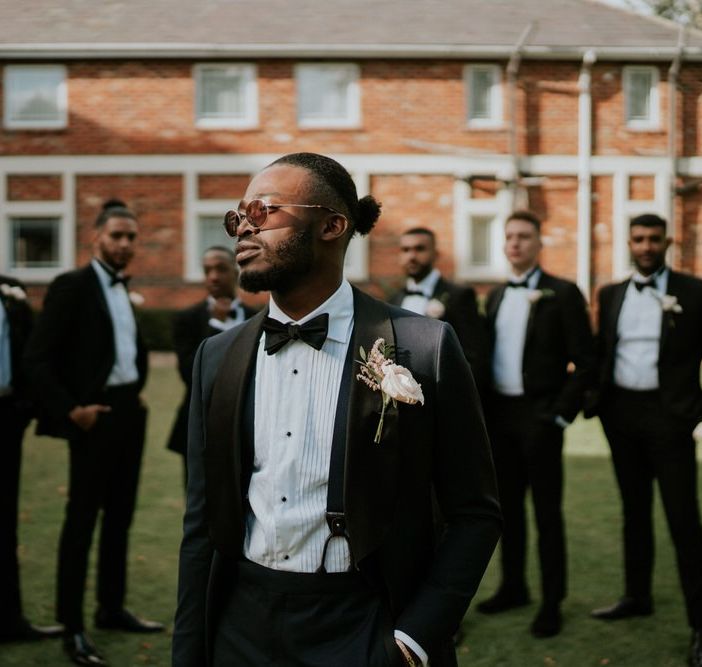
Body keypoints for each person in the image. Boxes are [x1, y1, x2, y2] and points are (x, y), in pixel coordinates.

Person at [172, 152, 502, 667]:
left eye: (262, 211)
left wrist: (413, 641)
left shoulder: (423, 346)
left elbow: (474, 512)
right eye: (236, 217)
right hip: (241, 624)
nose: (242, 228)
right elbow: (202, 523)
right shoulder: (216, 357)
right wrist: (191, 652)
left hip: (367, 621)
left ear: (331, 225)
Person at [24, 200, 163, 667]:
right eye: (116, 235)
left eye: (130, 237)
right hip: (93, 416)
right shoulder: (72, 286)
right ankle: (73, 627)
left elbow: (123, 350)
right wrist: (72, 410)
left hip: (129, 413)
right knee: (81, 521)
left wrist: (135, 391)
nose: (125, 243)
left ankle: (110, 608)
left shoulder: (124, 288)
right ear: (96, 238)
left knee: (120, 517)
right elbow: (37, 359)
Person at [588, 213, 702, 667]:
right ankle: (637, 595)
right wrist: (598, 402)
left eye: (654, 239)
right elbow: (603, 353)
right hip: (620, 417)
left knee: (684, 522)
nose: (646, 246)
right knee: (634, 512)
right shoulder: (610, 294)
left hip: (671, 419)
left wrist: (700, 413)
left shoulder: (696, 292)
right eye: (638, 239)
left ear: (667, 242)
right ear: (629, 243)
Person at [475, 210, 595, 638]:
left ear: (539, 243)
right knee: (506, 513)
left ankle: (551, 602)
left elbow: (585, 362)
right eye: (509, 237)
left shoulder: (562, 293)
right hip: (501, 419)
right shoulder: (495, 296)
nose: (515, 244)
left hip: (541, 418)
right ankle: (513, 588)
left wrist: (559, 415)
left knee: (547, 514)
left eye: (524, 236)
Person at [0, 276, 63, 644]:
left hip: (7, 418)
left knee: (6, 521)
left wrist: (24, 408)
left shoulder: (10, 295)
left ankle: (10, 619)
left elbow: (30, 352)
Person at [167, 246, 255, 478]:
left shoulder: (256, 318)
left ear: (236, 272)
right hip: (199, 425)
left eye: (220, 269)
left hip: (247, 426)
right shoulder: (187, 319)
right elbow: (190, 374)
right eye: (207, 271)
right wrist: (216, 325)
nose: (213, 276)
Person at [390, 227, 485, 381]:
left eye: (420, 249)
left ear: (436, 254)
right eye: (406, 250)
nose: (412, 256)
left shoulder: (459, 296)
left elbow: (473, 355)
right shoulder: (393, 300)